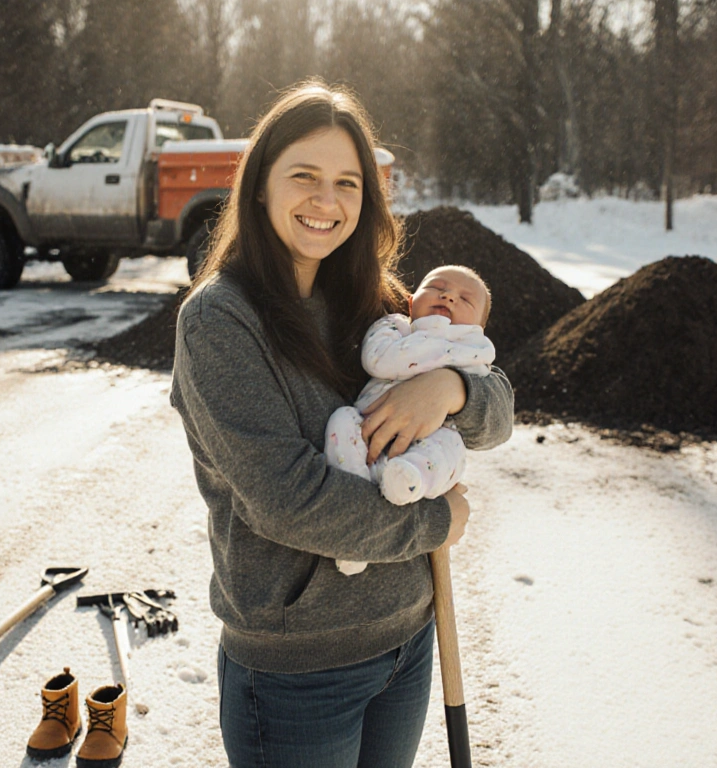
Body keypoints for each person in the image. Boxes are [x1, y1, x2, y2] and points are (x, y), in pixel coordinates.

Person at [169, 80, 514, 768]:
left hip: (409, 643)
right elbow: (288, 502)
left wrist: (446, 389)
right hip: (300, 671)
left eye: (347, 182)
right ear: (260, 184)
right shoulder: (220, 322)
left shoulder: (376, 301)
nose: (327, 201)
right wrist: (436, 523)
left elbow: (498, 408)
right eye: (305, 176)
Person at [328, 265, 495, 576]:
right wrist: (441, 351)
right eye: (436, 287)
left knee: (450, 450)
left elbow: (496, 404)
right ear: (409, 301)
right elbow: (378, 359)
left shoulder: (476, 347)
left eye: (465, 299)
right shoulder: (395, 327)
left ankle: (408, 478)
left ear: (478, 327)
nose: (448, 296)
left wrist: (449, 386)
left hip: (432, 438)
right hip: (370, 429)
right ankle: (357, 516)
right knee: (341, 421)